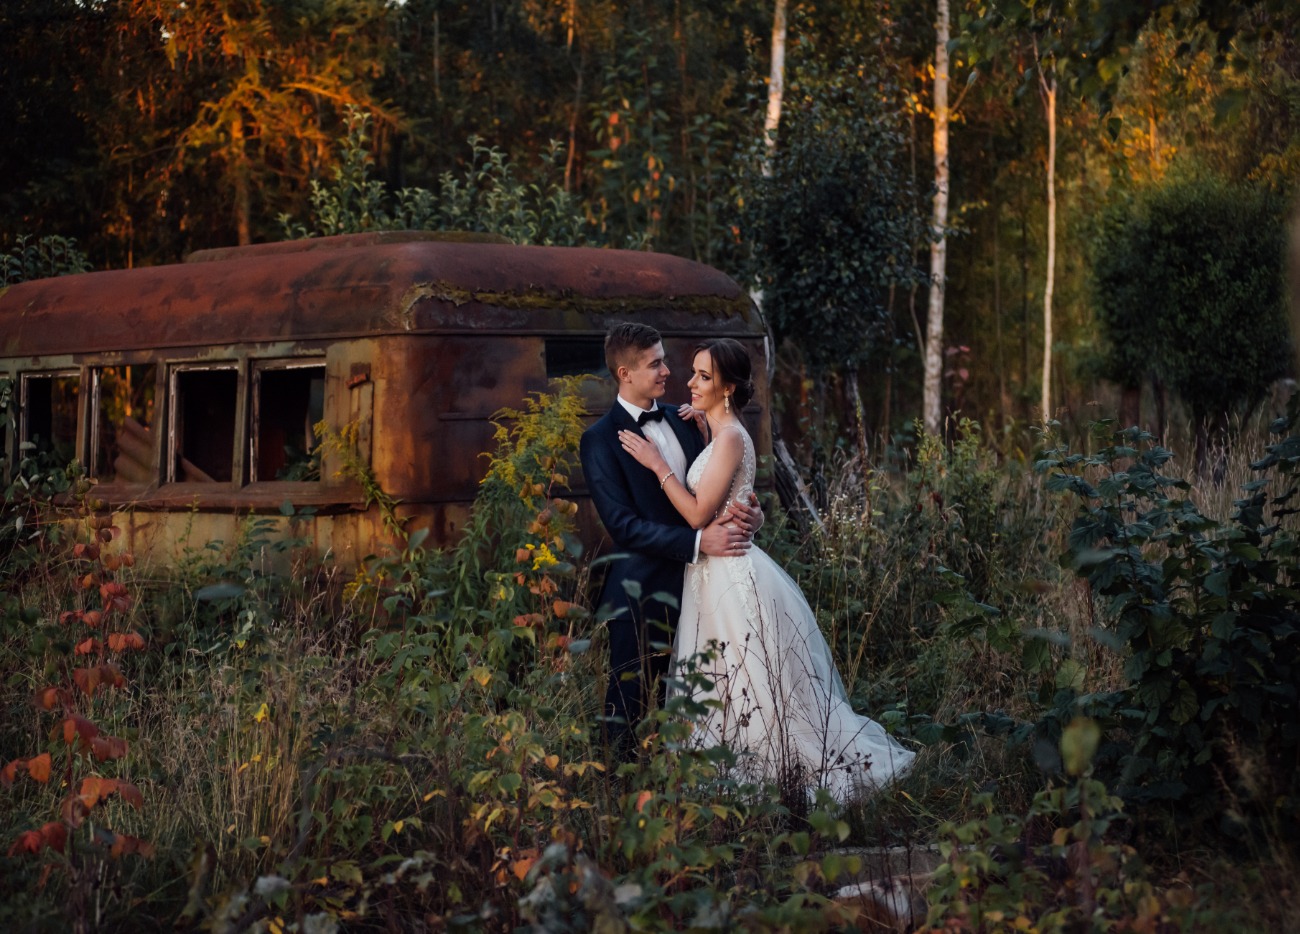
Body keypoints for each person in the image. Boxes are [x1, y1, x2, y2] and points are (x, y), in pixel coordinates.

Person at [617, 337, 915, 801]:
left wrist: (659, 465)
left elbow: (698, 515)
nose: (688, 382)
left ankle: (773, 772)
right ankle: (716, 768)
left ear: (729, 388)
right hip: (708, 572)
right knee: (719, 674)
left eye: (702, 376)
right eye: (692, 372)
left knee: (745, 676)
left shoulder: (732, 437)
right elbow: (729, 494)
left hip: (729, 573)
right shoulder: (713, 430)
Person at [580, 324, 763, 760]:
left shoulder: (687, 421)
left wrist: (752, 516)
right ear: (625, 373)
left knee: (691, 709)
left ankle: (679, 801)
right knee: (626, 710)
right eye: (655, 363)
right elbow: (624, 527)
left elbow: (717, 494)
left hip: (703, 593)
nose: (668, 371)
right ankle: (618, 806)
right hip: (640, 593)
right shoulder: (600, 441)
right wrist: (699, 541)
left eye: (664, 358)